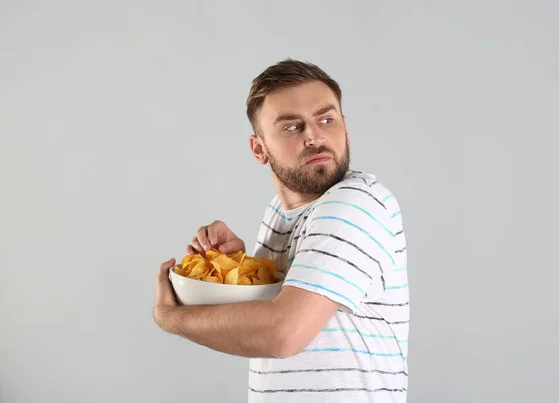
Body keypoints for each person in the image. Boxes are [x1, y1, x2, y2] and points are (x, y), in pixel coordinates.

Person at [153, 59, 409, 403]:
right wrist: (239, 266)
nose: (315, 136)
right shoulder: (280, 211)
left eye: (326, 119)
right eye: (292, 127)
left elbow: (282, 334)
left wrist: (171, 317)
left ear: (345, 129)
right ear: (259, 149)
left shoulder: (356, 203)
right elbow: (262, 318)